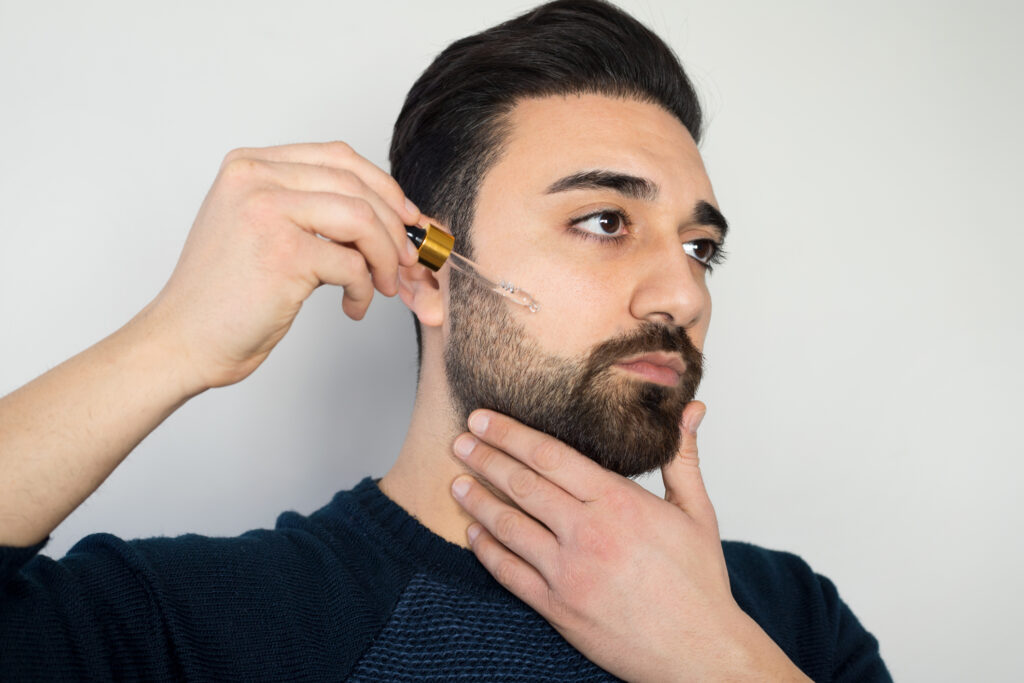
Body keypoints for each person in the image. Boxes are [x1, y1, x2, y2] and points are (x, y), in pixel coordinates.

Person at [0, 0, 892, 680]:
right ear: (429, 269)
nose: (682, 293)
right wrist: (171, 342)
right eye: (605, 219)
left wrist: (717, 657)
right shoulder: (210, 625)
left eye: (701, 248)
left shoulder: (789, 619)